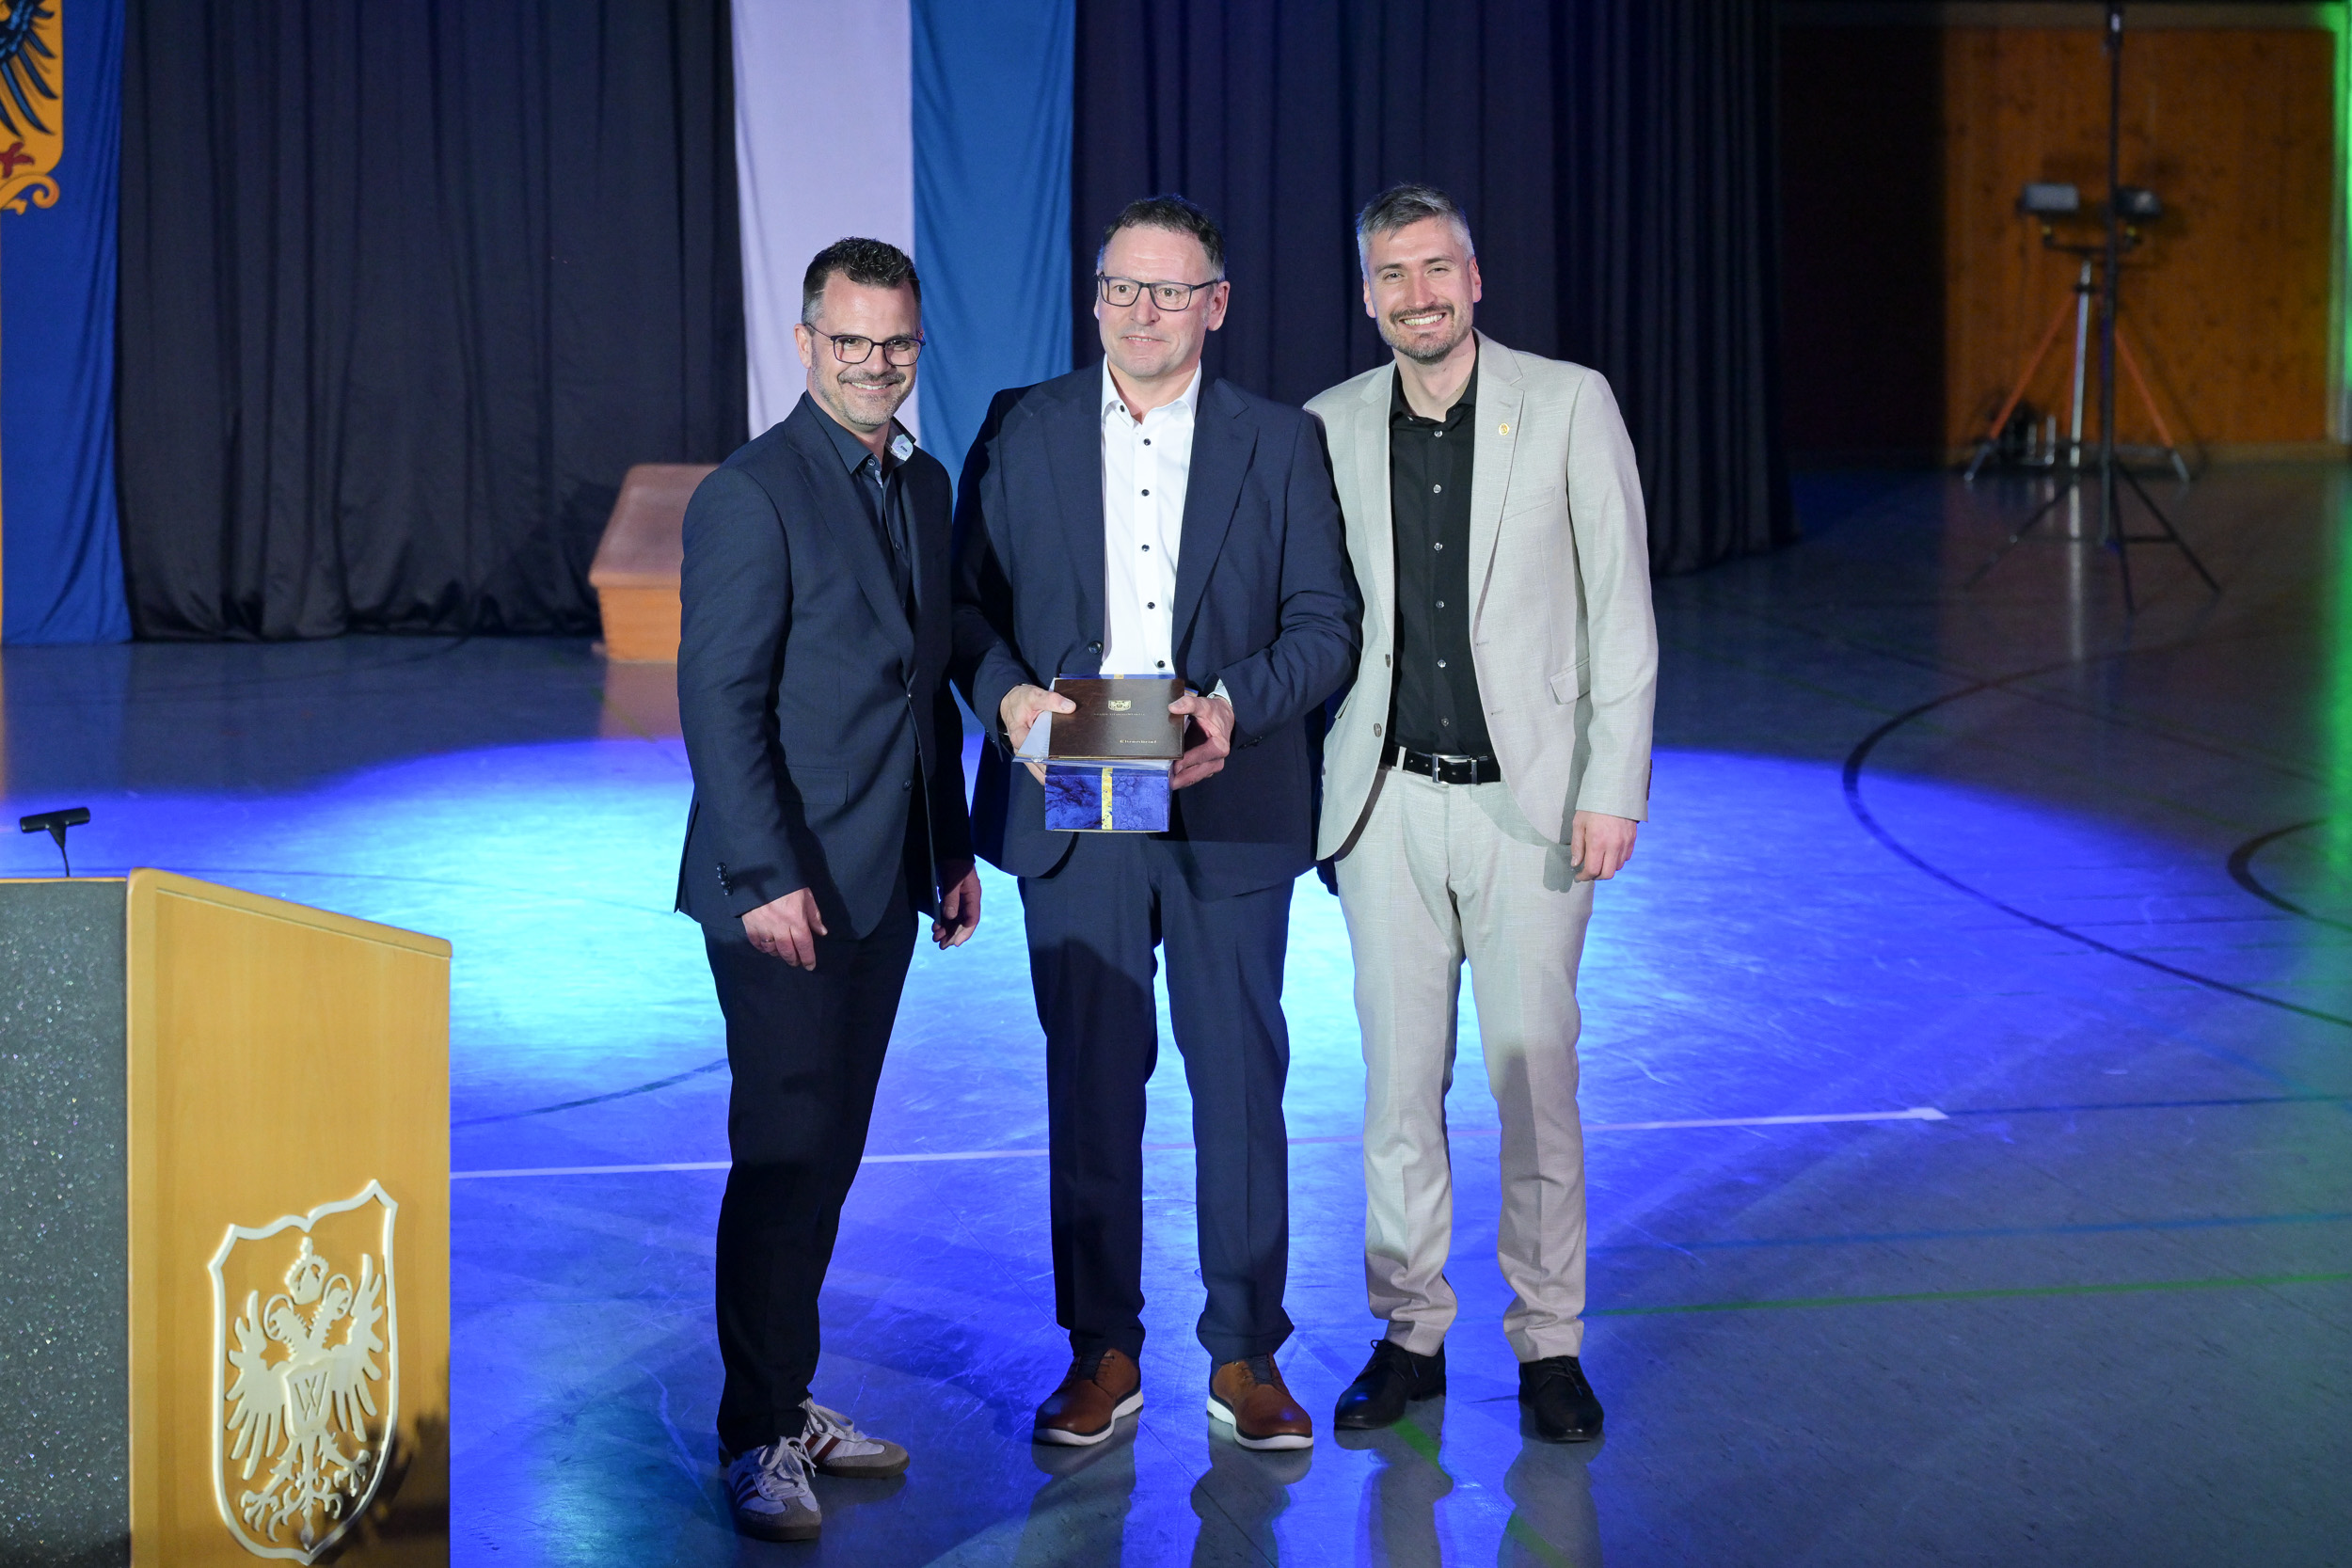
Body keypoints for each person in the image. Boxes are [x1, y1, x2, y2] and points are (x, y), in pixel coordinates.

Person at [952, 195, 1358, 1452]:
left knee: (1239, 1081)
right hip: (1076, 774)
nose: (1143, 312)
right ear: (1094, 299)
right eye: (1123, 287)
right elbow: (962, 611)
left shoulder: (1278, 442)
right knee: (1090, 1080)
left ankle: (1246, 1352)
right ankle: (1102, 1351)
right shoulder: (1020, 426)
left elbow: (1327, 626)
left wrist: (1236, 705)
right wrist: (1007, 696)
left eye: (1172, 291)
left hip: (1223, 787)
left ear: (1215, 307)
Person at [1306, 184, 1658, 1443]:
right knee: (1399, 1091)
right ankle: (1409, 1333)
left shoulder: (1568, 402)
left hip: (1534, 809)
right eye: (1393, 275)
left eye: (1437, 268)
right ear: (1368, 296)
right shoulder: (1329, 424)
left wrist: (1612, 787)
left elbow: (1620, 605)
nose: (1419, 295)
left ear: (1476, 277)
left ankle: (1549, 1341)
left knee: (1533, 1082)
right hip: (1388, 806)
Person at [675, 236, 981, 1541]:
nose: (874, 363)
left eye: (895, 342)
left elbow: (923, 689)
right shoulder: (752, 492)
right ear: (807, 342)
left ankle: (785, 1395)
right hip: (780, 892)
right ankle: (755, 1435)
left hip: (880, 881)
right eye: (850, 340)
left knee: (831, 1156)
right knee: (784, 1152)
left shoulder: (921, 483)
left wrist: (948, 849)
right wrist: (762, 875)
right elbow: (719, 700)